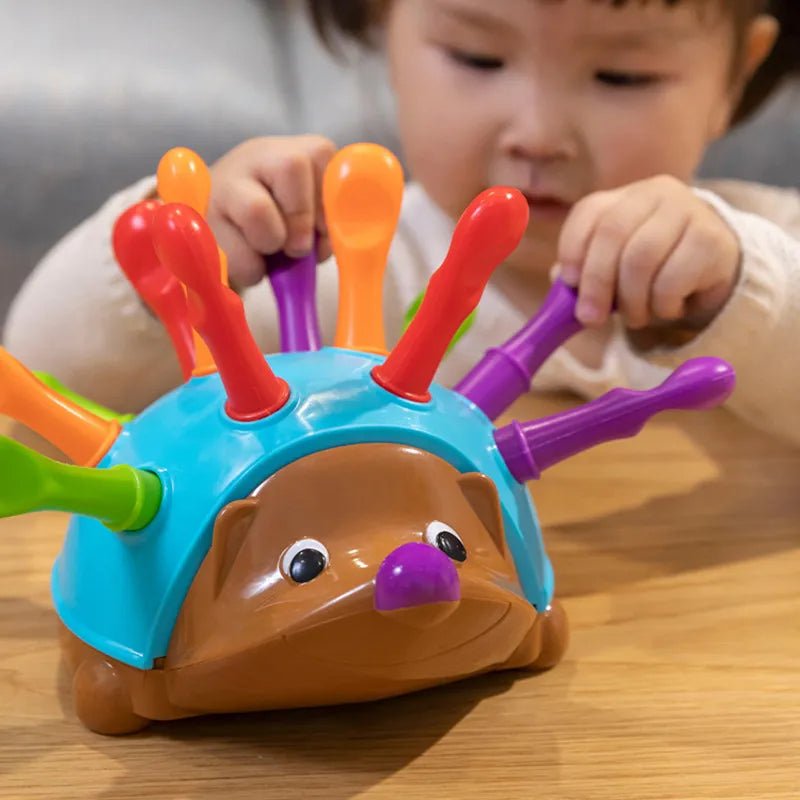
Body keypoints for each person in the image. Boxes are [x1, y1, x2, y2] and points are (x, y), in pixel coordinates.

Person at [4, 0, 800, 445]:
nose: (539, 132)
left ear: (737, 76)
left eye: (623, 75)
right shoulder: (328, 283)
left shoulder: (758, 253)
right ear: (386, 28)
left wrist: (735, 294)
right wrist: (169, 268)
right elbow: (45, 398)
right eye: (477, 60)